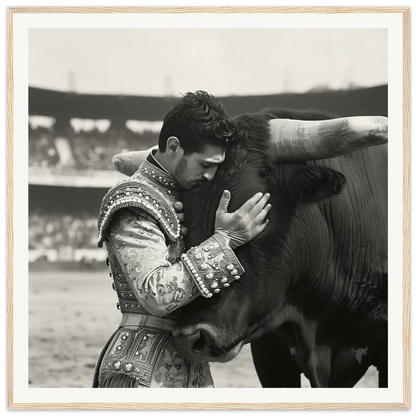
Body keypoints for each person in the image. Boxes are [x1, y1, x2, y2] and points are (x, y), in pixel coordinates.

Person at [93, 91, 272, 388]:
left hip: (192, 369)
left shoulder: (187, 195)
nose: (211, 175)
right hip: (142, 371)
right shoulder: (135, 200)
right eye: (205, 165)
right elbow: (156, 294)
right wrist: (225, 240)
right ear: (174, 147)